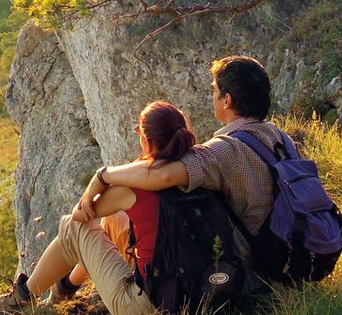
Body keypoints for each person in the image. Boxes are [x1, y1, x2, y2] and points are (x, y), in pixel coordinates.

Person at [0, 101, 198, 315]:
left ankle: (20, 300)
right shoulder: (198, 168)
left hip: (149, 313)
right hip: (199, 298)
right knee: (113, 221)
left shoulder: (134, 187)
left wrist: (106, 179)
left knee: (72, 227)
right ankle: (65, 289)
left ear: (146, 141)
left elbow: (80, 214)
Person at [75, 55, 290, 256]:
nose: (212, 96)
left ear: (227, 101)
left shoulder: (224, 149)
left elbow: (162, 175)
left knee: (113, 219)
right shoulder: (280, 137)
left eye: (214, 90)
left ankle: (63, 285)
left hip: (249, 266)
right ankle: (66, 284)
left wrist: (102, 176)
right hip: (285, 250)